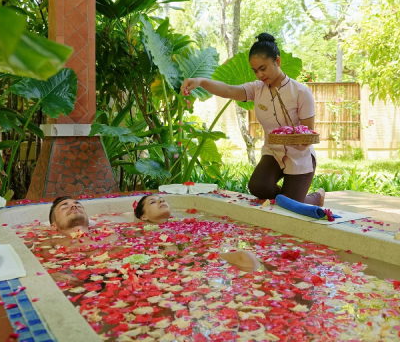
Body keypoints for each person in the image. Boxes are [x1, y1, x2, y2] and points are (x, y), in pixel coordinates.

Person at [180, 33, 325, 206]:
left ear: (277, 61)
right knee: (258, 187)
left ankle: (315, 198)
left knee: (291, 206)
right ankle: (288, 199)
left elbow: (308, 133)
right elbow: (228, 90)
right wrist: (201, 81)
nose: (259, 75)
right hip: (273, 153)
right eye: (255, 71)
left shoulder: (301, 92)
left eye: (263, 68)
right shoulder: (257, 89)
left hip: (299, 156)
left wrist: (301, 144)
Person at [134, 194, 263, 272]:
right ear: (144, 216)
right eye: (153, 202)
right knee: (245, 257)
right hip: (186, 265)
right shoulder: (145, 234)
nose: (161, 201)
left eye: (162, 200)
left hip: (203, 259)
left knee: (246, 257)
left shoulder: (183, 223)